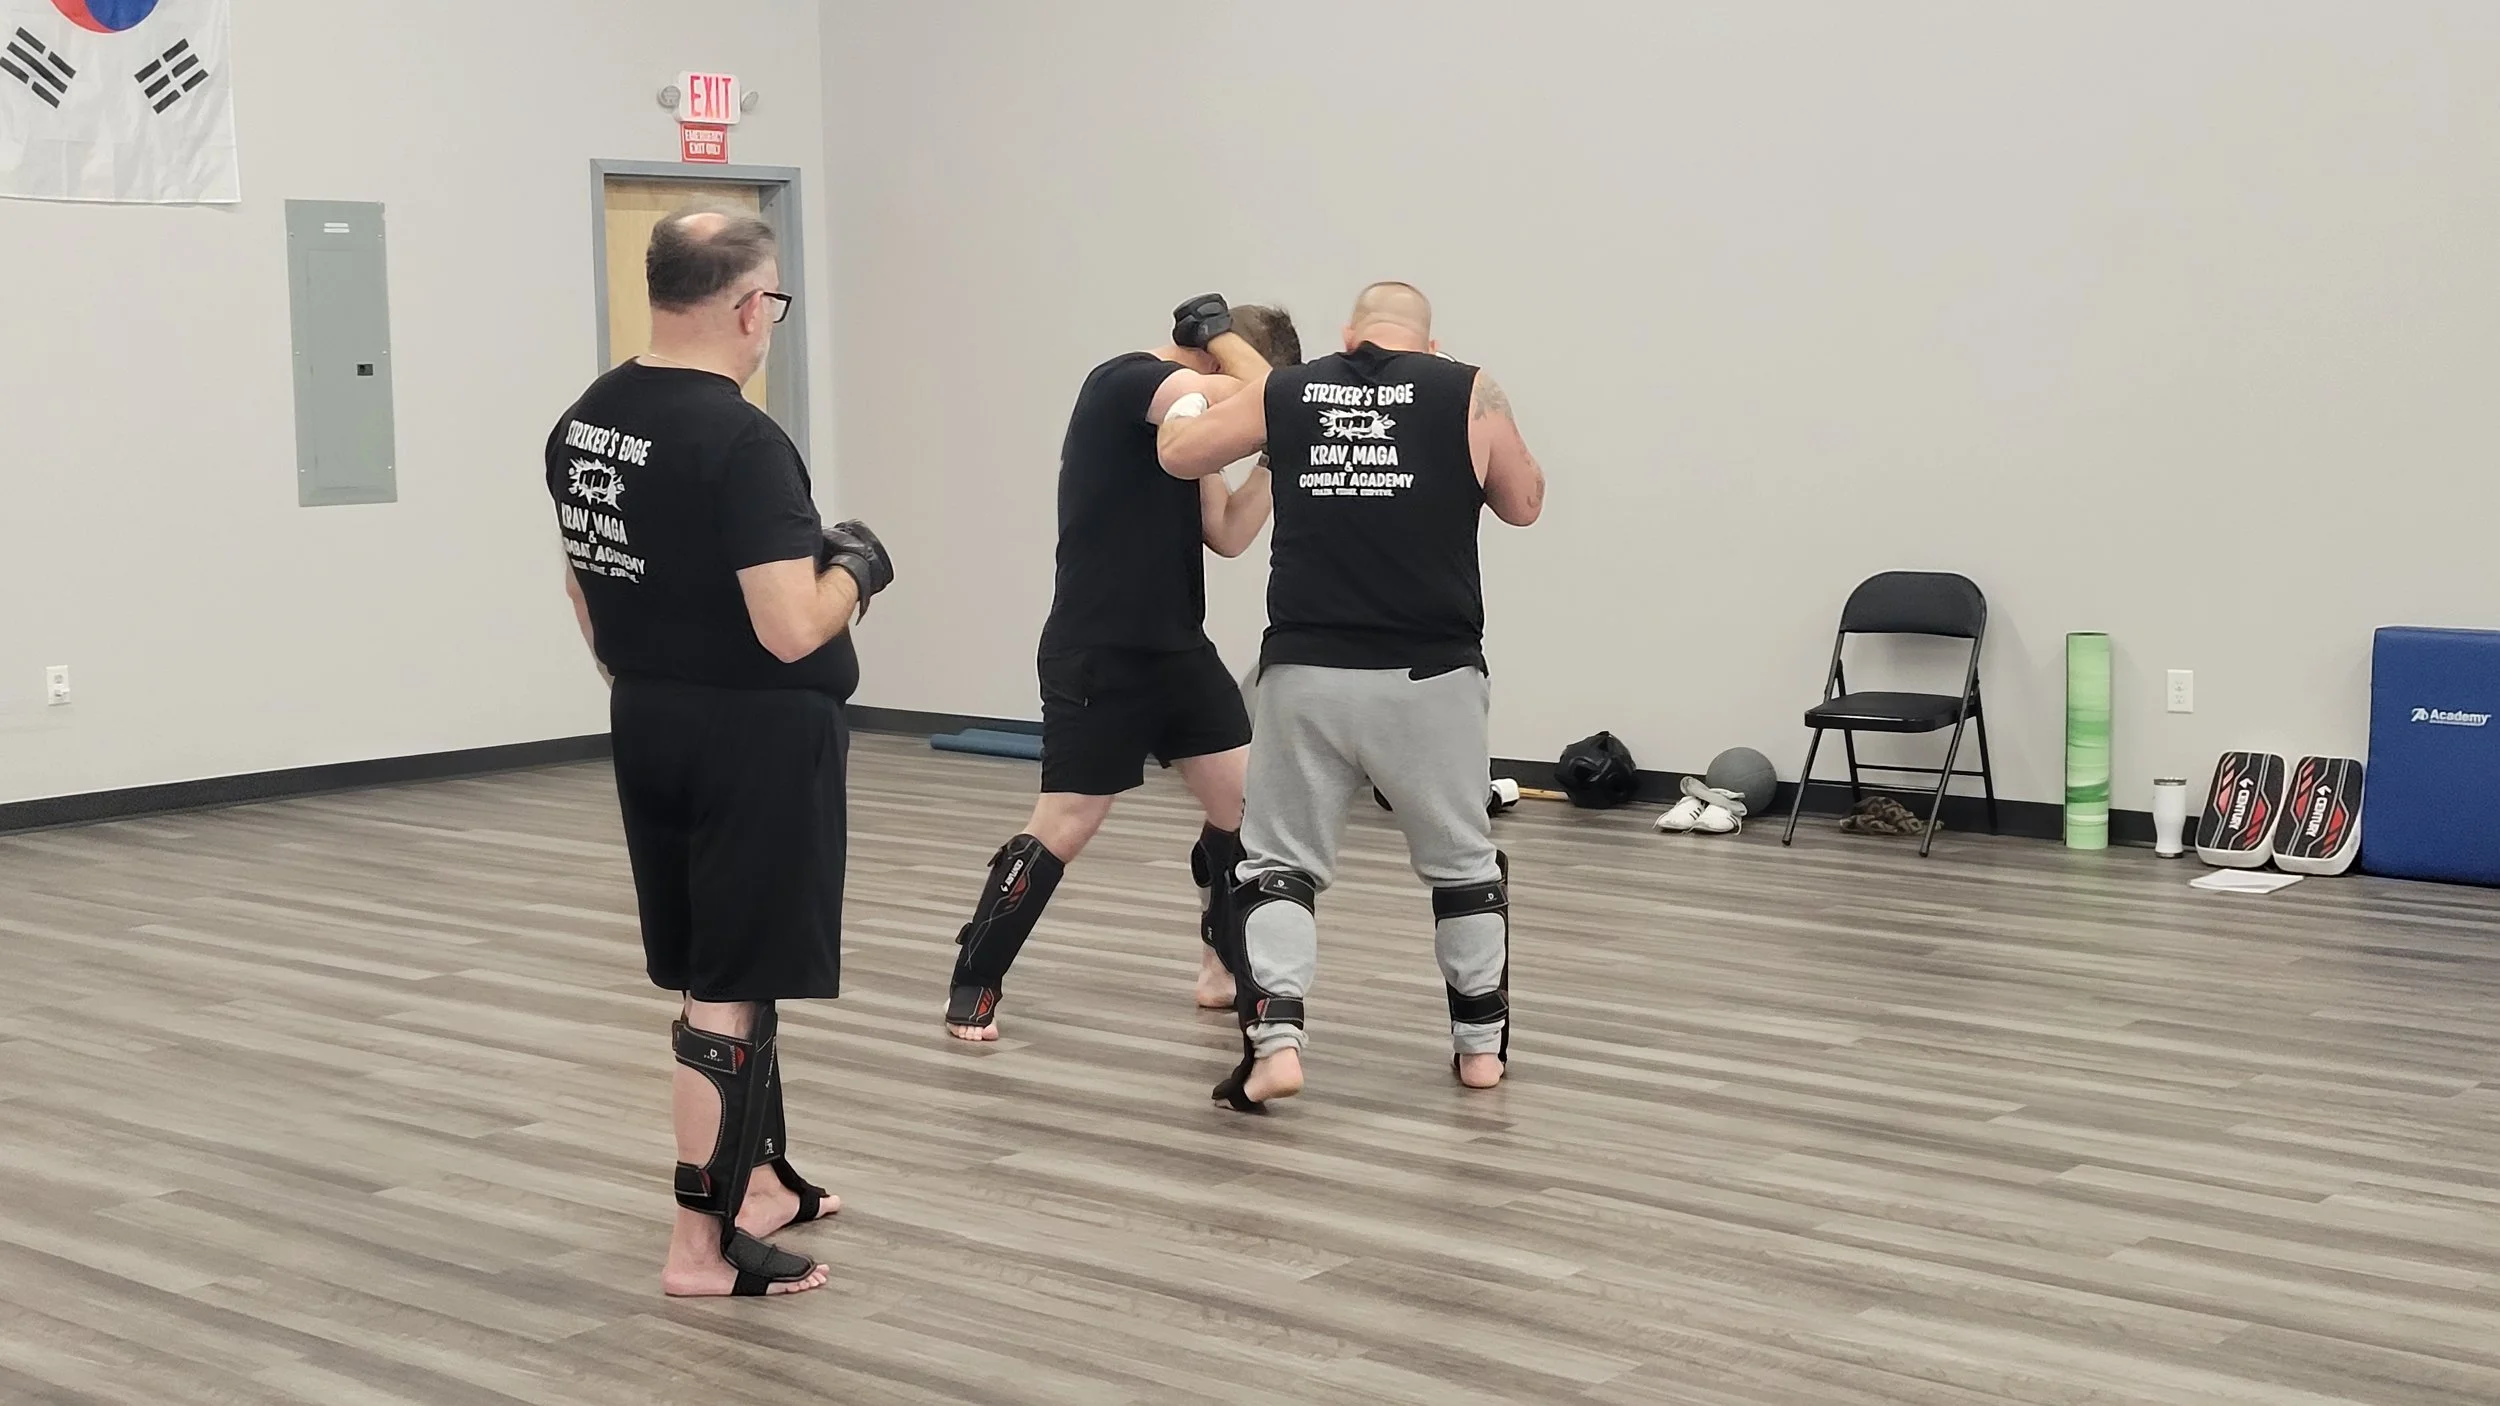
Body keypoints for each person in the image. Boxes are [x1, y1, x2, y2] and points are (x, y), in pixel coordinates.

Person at [546, 206, 896, 1296]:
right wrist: (860, 566)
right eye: (774, 303)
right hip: (751, 735)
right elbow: (793, 623)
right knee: (722, 992)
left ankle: (761, 1183)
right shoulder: (740, 439)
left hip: (651, 717)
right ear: (750, 306)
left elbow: (584, 590)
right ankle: (699, 1246)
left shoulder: (586, 421)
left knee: (731, 967)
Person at [1157, 281, 1545, 1111]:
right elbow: (1523, 505)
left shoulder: (1289, 390)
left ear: (1348, 334)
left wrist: (1189, 399)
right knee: (1463, 867)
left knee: (1278, 868)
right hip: (1431, 676)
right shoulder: (1468, 387)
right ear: (1429, 345)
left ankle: (1277, 1046)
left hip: (1306, 672)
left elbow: (1180, 457)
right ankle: (1480, 1052)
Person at [942, 294, 1302, 1041]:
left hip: (1177, 649)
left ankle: (1221, 963)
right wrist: (1269, 394)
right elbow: (1260, 397)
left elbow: (1228, 533)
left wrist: (1272, 458)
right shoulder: (1129, 382)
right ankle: (976, 974)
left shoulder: (1190, 424)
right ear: (1216, 350)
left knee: (1244, 809)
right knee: (1068, 822)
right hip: (1097, 649)